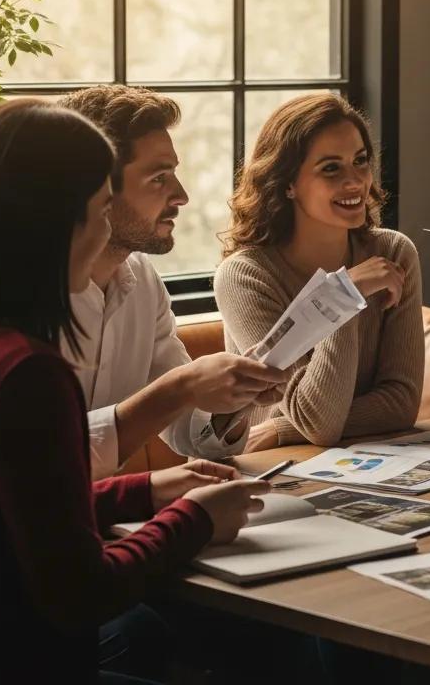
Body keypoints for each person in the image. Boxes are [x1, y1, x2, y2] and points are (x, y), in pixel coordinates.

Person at [0, 99, 269, 682]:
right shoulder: (27, 372)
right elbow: (79, 593)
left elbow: (14, 510)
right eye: (99, 207)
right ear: (52, 219)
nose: (102, 229)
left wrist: (140, 491)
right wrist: (194, 519)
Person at [60, 86, 287, 479]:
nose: (181, 196)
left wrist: (232, 405)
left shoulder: (143, 281)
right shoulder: (11, 295)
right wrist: (180, 387)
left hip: (109, 520)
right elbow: (40, 461)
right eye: (158, 178)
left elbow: (188, 430)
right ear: (97, 189)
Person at [215, 92, 424, 450]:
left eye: (360, 161)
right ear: (287, 183)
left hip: (350, 461)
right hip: (265, 471)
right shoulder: (245, 278)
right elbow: (318, 422)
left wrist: (284, 429)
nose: (356, 181)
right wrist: (341, 296)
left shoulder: (393, 252)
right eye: (331, 168)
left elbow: (401, 404)